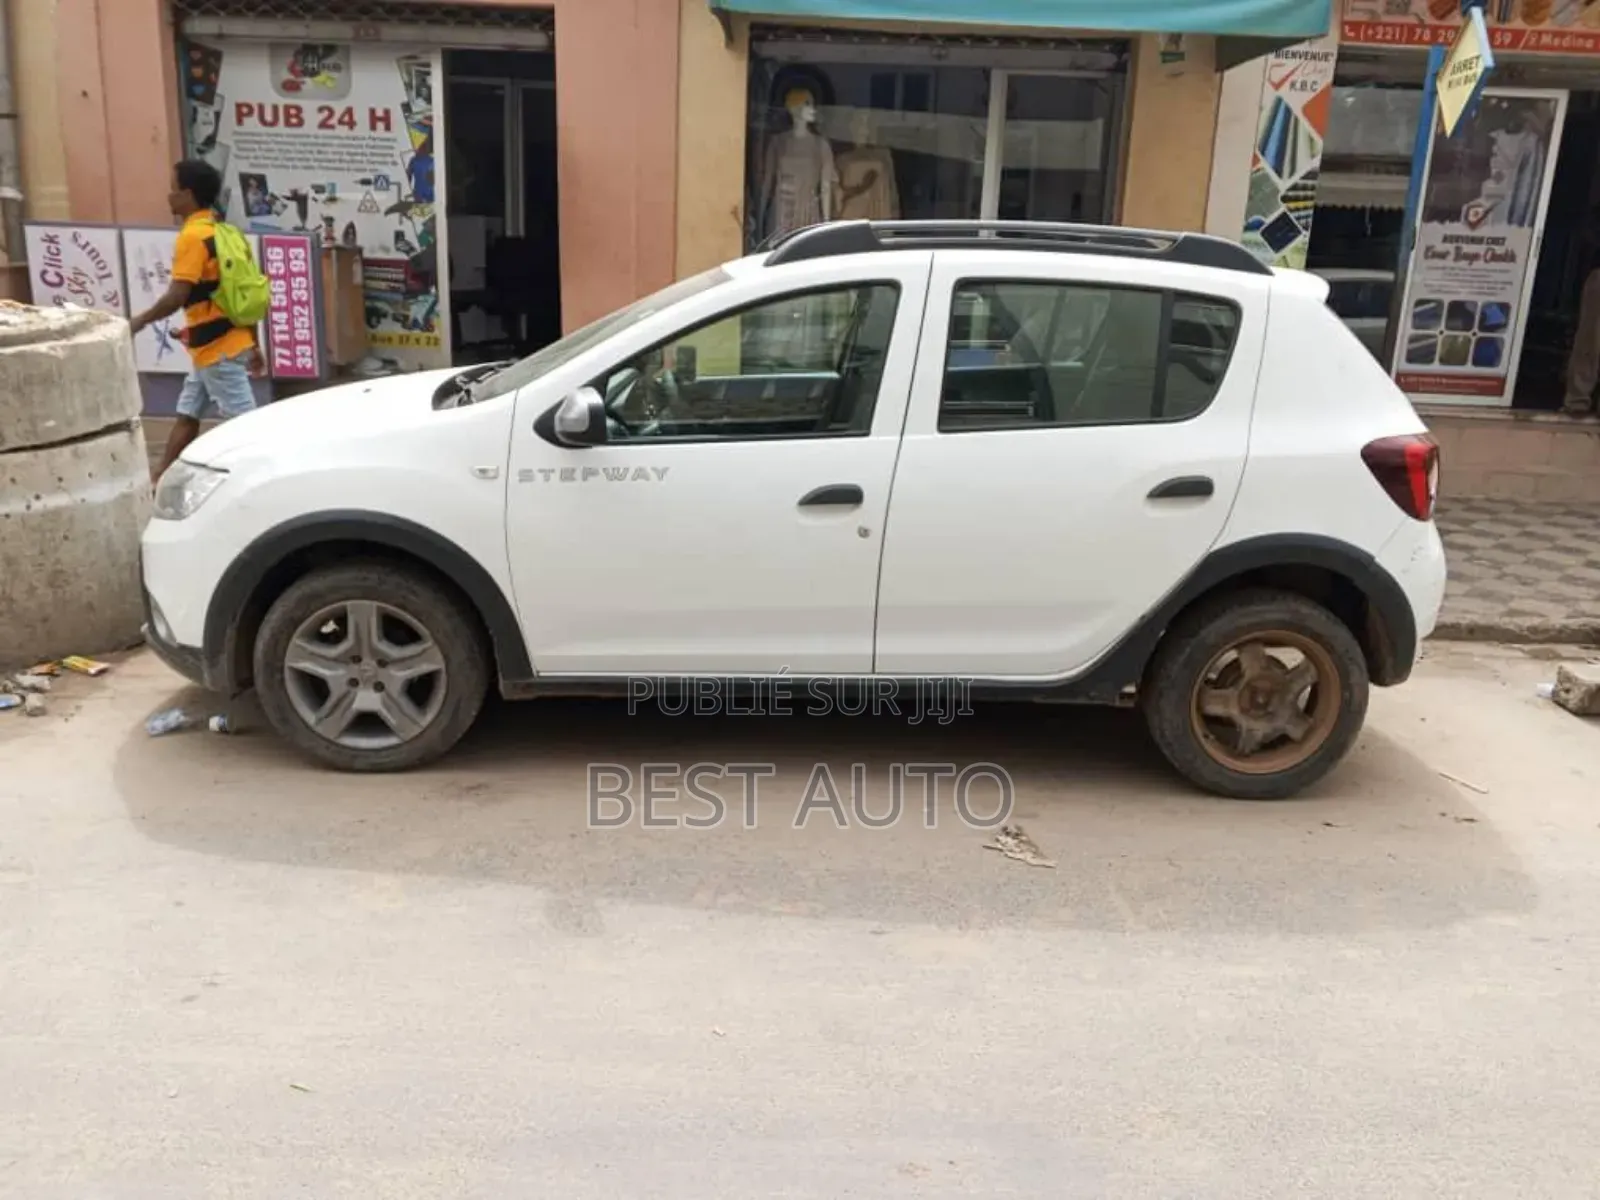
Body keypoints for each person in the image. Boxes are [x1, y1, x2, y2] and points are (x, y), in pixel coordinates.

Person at [130, 159, 264, 481]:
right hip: (222, 345)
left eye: (172, 189)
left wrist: (139, 322)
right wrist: (254, 343)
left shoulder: (193, 237)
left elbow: (178, 295)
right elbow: (244, 295)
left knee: (248, 427)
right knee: (187, 413)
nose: (168, 196)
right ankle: (159, 478)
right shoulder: (227, 234)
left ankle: (259, 480)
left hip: (217, 351)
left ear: (187, 195)